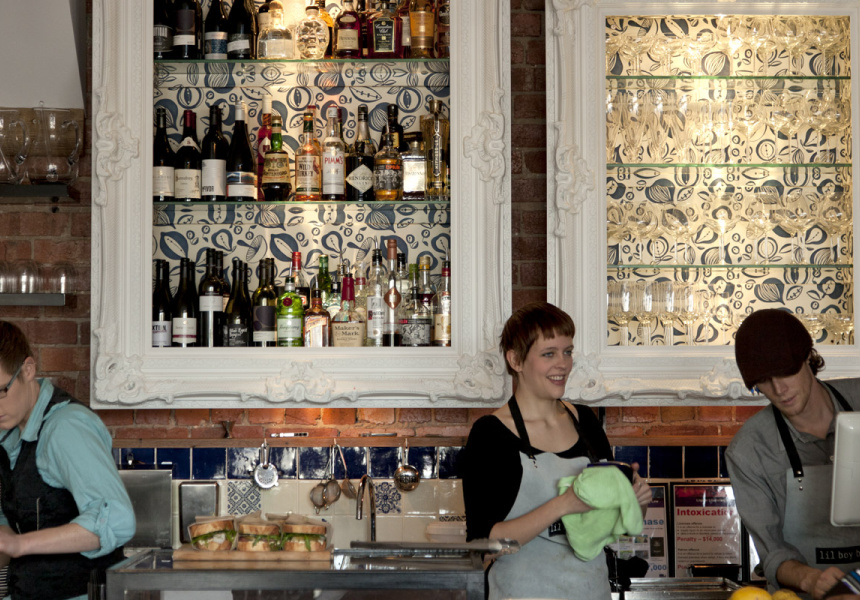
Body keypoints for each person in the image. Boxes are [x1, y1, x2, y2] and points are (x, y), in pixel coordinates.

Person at [461, 302, 652, 599]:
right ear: (516, 360)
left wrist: (635, 501)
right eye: (549, 354)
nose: (562, 364)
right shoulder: (491, 435)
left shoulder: (585, 422)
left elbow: (614, 526)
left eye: (567, 352)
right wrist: (563, 505)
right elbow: (483, 545)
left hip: (591, 593)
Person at [727, 309, 860, 600]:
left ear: (807, 357)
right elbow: (773, 553)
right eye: (764, 380)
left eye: (786, 371)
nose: (779, 389)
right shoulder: (748, 451)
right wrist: (812, 580)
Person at [0, 321, 135, 600]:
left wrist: (19, 544)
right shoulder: (11, 433)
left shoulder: (66, 427)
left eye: (1, 391)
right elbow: (9, 527)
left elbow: (117, 520)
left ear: (28, 370)